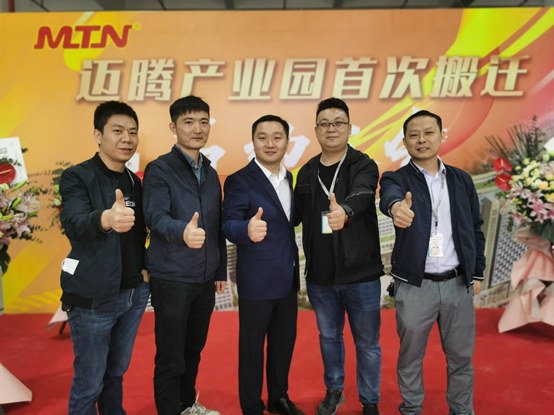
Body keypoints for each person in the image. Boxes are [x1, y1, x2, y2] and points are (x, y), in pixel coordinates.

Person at [379, 110, 485, 415]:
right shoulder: (396, 178)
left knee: (461, 358)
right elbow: (389, 196)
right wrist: (396, 207)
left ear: (442, 136)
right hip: (415, 286)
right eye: (414, 135)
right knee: (410, 358)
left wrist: (477, 273)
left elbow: (475, 228)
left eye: (428, 132)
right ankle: (412, 409)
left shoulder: (461, 180)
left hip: (457, 283)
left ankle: (461, 411)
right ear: (405, 141)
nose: (421, 140)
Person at [294, 98, 384, 415]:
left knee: (367, 342)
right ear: (316, 129)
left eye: (338, 122)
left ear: (349, 127)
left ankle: (370, 401)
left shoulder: (364, 165)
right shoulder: (306, 171)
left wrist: (344, 210)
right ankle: (334, 390)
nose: (331, 128)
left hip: (361, 273)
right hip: (320, 275)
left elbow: (362, 194)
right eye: (325, 123)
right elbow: (293, 215)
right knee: (329, 337)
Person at [60, 101, 150, 415]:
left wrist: (143, 272)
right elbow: (74, 223)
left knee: (115, 373)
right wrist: (105, 219)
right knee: (89, 382)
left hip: (133, 293)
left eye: (133, 132)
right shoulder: (77, 176)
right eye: (118, 131)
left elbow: (139, 233)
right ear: (98, 135)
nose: (127, 138)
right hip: (93, 296)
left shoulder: (134, 181)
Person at [143, 96, 227, 415]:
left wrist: (219, 271)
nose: (197, 129)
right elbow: (155, 216)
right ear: (173, 127)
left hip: (204, 278)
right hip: (172, 276)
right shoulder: (159, 169)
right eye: (188, 122)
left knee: (193, 349)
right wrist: (182, 231)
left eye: (203, 122)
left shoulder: (210, 171)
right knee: (171, 354)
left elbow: (216, 225)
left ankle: (186, 405)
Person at [222, 115, 305, 415]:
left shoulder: (290, 178)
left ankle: (278, 397)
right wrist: (246, 229)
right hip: (257, 281)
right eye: (262, 137)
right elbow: (228, 224)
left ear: (287, 142)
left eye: (277, 137)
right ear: (253, 141)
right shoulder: (240, 180)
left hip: (287, 278)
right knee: (252, 349)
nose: (270, 143)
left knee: (284, 343)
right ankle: (252, 406)